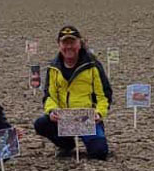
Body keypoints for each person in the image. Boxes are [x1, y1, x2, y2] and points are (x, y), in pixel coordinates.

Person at [33, 25, 111, 160]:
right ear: (59, 45)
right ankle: (66, 144)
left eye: (72, 42)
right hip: (64, 119)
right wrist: (52, 111)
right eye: (65, 43)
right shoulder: (53, 68)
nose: (68, 47)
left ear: (80, 43)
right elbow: (49, 95)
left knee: (99, 152)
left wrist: (99, 113)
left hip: (87, 119)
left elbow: (104, 95)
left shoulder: (92, 65)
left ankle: (96, 136)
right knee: (41, 124)